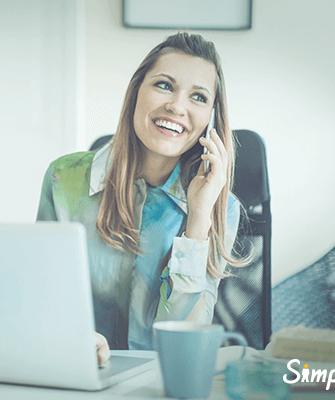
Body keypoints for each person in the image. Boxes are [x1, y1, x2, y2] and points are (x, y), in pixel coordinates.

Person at [36, 32, 242, 364]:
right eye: (164, 85)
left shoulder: (220, 208)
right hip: (76, 371)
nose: (177, 106)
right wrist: (70, 334)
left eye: (199, 97)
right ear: (136, 93)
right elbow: (41, 297)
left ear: (210, 119)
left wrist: (198, 220)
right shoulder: (65, 179)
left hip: (161, 383)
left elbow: (184, 349)